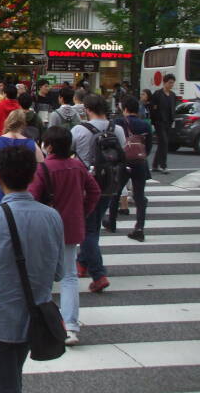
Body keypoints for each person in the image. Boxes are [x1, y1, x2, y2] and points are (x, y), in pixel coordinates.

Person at [0, 145, 65, 393]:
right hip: (35, 317)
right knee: (11, 379)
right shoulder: (52, 216)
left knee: (4, 384)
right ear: (33, 177)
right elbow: (59, 271)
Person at [28, 126, 100, 346]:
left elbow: (31, 197)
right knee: (69, 277)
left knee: (43, 276)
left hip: (46, 228)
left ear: (48, 145)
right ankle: (70, 326)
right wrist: (83, 211)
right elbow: (94, 191)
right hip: (70, 226)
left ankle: (43, 324)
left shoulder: (43, 168)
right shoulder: (77, 166)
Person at [71, 94, 126, 294]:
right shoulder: (117, 129)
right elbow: (123, 152)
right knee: (93, 223)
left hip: (86, 182)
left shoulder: (79, 130)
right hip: (111, 182)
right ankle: (82, 263)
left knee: (88, 229)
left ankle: (98, 274)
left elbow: (69, 150)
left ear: (87, 109)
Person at [106, 96, 152, 242]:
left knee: (116, 191)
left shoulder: (117, 122)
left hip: (123, 161)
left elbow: (112, 142)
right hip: (140, 162)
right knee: (139, 195)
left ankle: (112, 223)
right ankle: (139, 228)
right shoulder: (145, 125)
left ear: (124, 108)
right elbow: (149, 146)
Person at [0, 110, 44, 206]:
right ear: (23, 124)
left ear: (7, 122)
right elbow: (42, 171)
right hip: (24, 192)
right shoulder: (32, 144)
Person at [150, 73, 176, 174]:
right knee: (164, 143)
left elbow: (173, 109)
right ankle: (163, 166)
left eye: (172, 83)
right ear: (164, 82)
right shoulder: (157, 94)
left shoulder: (173, 95)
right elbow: (152, 108)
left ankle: (155, 164)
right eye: (170, 83)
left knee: (162, 144)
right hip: (159, 122)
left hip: (168, 122)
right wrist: (154, 121)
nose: (171, 85)